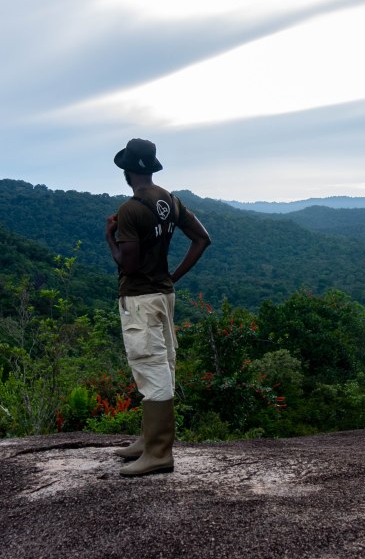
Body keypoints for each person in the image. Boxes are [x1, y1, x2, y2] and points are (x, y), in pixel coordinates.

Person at [105, 138, 211, 477]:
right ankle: (148, 441)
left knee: (150, 366)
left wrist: (110, 238)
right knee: (162, 364)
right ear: (150, 168)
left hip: (140, 300)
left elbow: (129, 265)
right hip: (164, 296)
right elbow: (202, 238)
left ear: (127, 170)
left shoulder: (130, 209)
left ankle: (159, 453)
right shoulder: (170, 201)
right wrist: (173, 276)